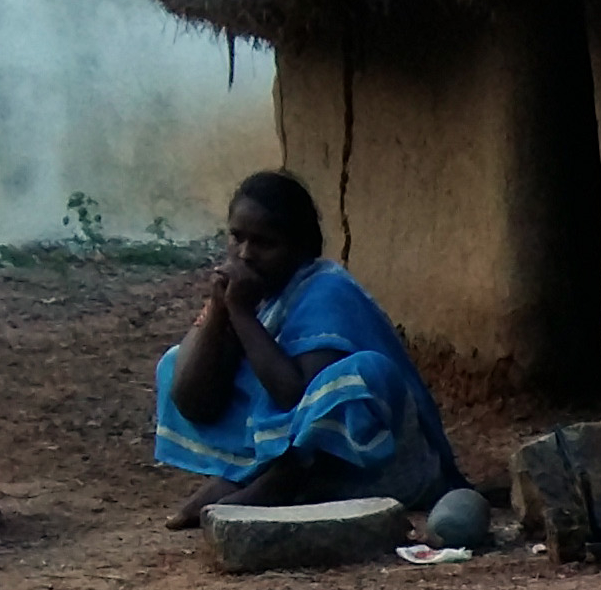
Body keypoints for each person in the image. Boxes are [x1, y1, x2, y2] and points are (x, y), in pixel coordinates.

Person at [153, 170, 457, 528]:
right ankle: (244, 475)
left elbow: (293, 396)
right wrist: (221, 310)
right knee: (177, 362)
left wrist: (240, 314)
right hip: (309, 467)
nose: (245, 254)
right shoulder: (249, 293)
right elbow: (190, 399)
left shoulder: (327, 291)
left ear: (301, 249)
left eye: (264, 243)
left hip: (379, 468)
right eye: (237, 237)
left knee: (361, 374)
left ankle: (275, 483)